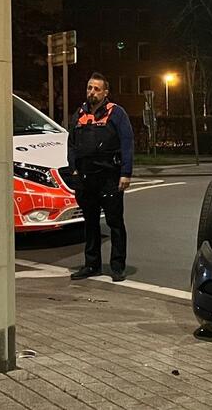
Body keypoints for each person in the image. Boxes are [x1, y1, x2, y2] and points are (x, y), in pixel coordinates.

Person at [68, 73, 135, 282]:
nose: (92, 92)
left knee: (115, 223)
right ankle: (91, 265)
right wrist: (74, 170)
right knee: (90, 223)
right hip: (86, 178)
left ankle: (117, 267)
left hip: (110, 177)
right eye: (89, 88)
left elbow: (127, 142)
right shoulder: (79, 113)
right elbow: (71, 144)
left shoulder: (117, 113)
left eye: (97, 89)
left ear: (105, 92)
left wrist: (126, 173)